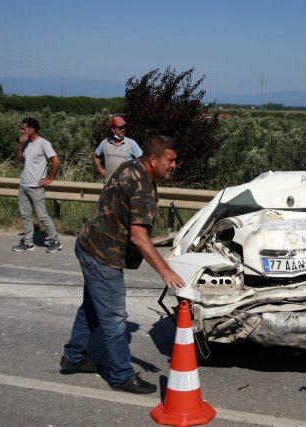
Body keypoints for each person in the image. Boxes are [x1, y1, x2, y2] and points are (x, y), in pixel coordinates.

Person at [61, 135, 185, 394]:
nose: (174, 165)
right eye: (170, 160)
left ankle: (73, 358)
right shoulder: (143, 187)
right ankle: (121, 375)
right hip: (103, 255)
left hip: (89, 243)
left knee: (93, 308)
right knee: (115, 318)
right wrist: (165, 271)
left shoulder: (130, 167)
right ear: (153, 159)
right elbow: (139, 237)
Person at [12, 117, 62, 253]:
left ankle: (55, 241)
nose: (21, 131)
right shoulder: (25, 143)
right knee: (25, 215)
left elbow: (56, 161)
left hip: (36, 186)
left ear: (32, 129)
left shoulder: (44, 143)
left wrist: (49, 179)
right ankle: (28, 243)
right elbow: (18, 159)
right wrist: (20, 145)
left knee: (42, 215)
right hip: (24, 185)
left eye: (23, 128)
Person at [93, 115, 143, 182]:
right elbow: (96, 156)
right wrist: (101, 171)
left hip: (126, 187)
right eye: (120, 127)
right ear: (112, 129)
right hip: (109, 186)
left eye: (124, 127)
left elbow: (142, 161)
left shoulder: (131, 143)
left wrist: (134, 175)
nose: (123, 130)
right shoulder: (104, 143)